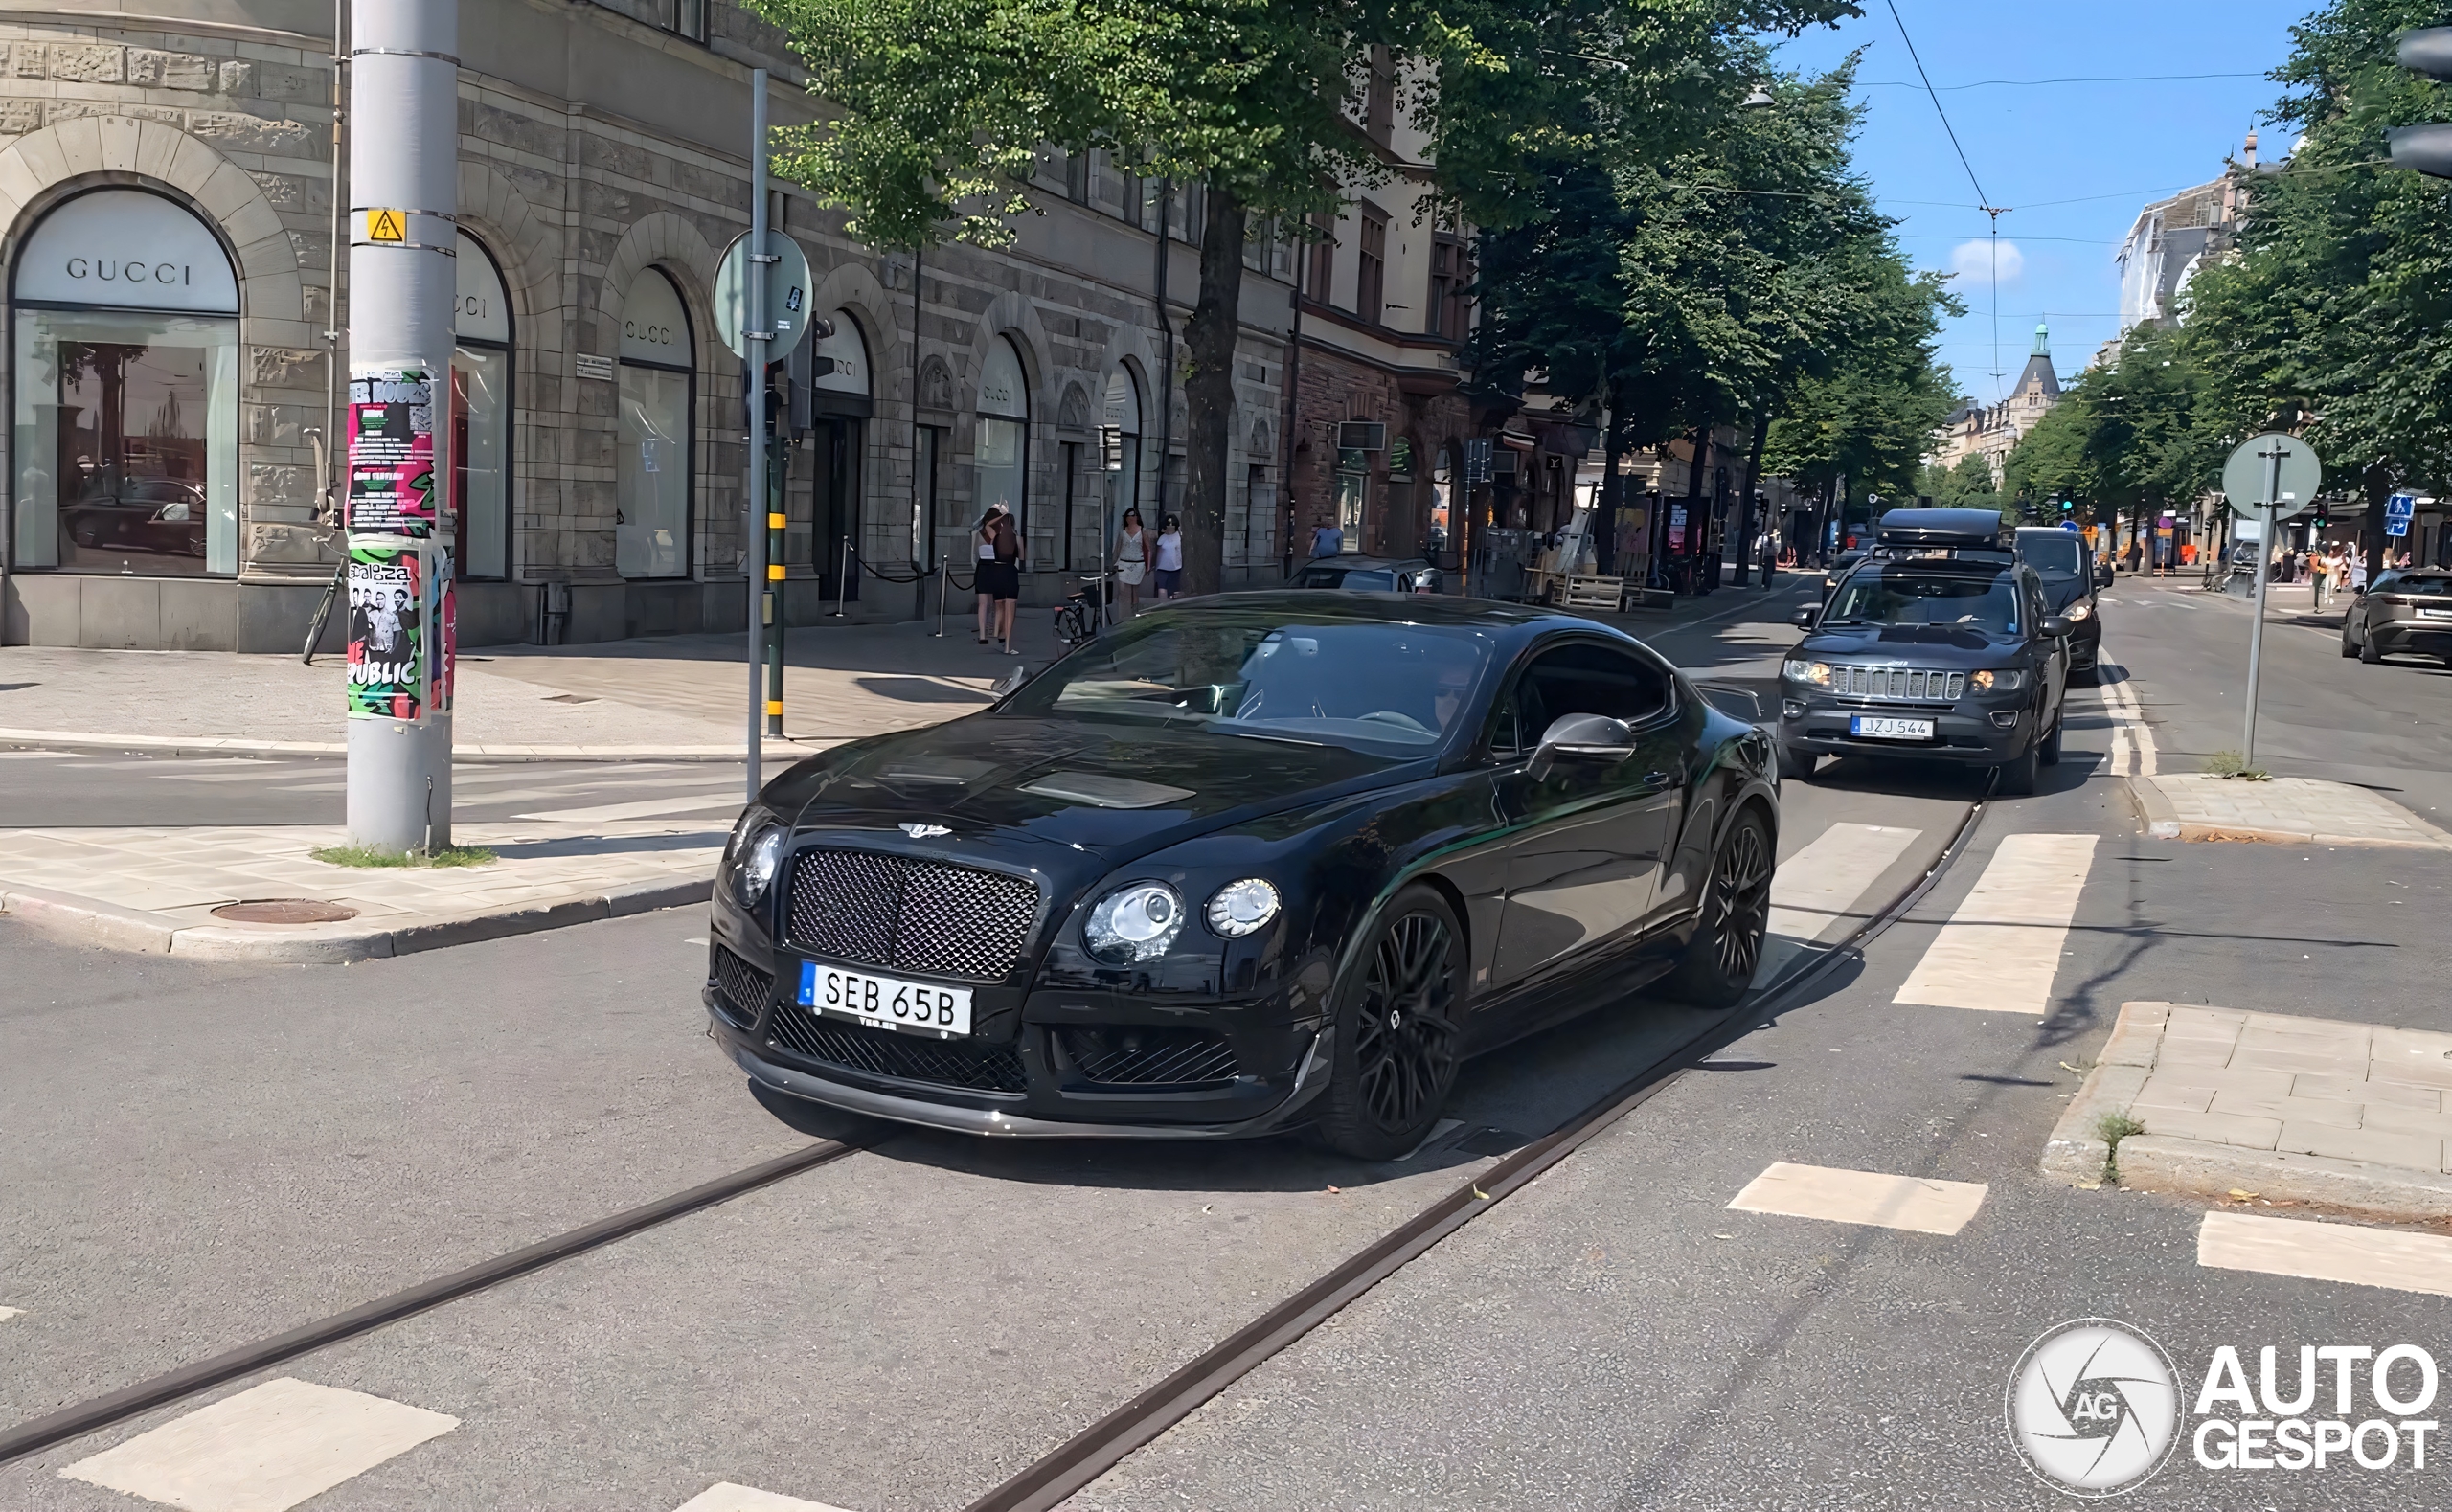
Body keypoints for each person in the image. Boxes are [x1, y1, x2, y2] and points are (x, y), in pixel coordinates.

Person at [974, 506, 1021, 652]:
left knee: (992, 604)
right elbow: (1021, 557)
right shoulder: (1011, 536)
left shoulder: (994, 535)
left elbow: (973, 555)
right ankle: (1002, 638)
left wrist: (1002, 515)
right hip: (1005, 570)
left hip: (991, 568)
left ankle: (987, 634)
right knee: (1003, 605)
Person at [1111, 508, 1147, 620]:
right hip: (1123, 563)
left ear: (1137, 518)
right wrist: (1113, 562)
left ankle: (1135, 613)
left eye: (1133, 517)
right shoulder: (1122, 531)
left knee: (1134, 590)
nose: (1131, 519)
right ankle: (1124, 615)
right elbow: (1117, 547)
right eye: (1128, 517)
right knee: (1123, 591)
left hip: (1138, 563)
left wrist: (1148, 565)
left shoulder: (1143, 531)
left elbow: (1147, 549)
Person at [1151, 514, 1185, 600]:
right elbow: (1156, 553)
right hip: (1161, 569)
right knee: (1162, 590)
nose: (1170, 526)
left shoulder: (1179, 537)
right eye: (1168, 523)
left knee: (1173, 592)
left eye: (1172, 523)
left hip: (1176, 569)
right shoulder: (1162, 538)